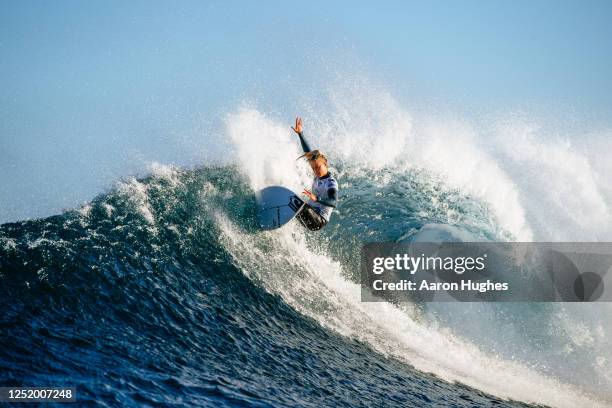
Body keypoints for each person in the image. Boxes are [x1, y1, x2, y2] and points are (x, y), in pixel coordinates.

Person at [291, 117, 339, 231]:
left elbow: (334, 202)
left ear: (325, 164)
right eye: (313, 168)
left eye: (318, 167)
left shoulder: (331, 183)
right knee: (293, 202)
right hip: (311, 212)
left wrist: (316, 198)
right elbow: (309, 153)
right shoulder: (318, 177)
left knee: (294, 203)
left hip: (318, 220)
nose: (315, 170)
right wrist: (300, 134)